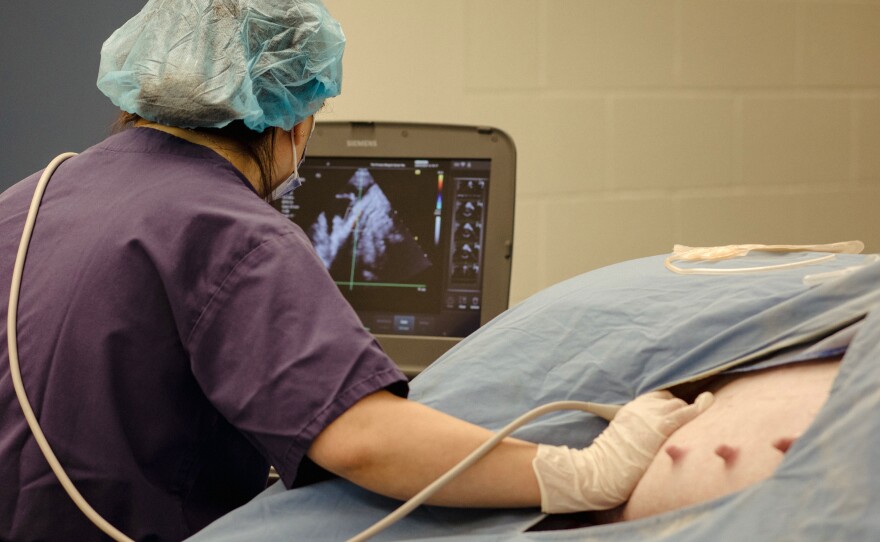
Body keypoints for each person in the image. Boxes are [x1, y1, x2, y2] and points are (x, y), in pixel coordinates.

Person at [0, 1, 712, 540]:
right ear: (294, 119)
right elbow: (363, 440)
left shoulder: (24, 202)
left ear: (137, 87)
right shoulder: (231, 230)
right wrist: (579, 473)